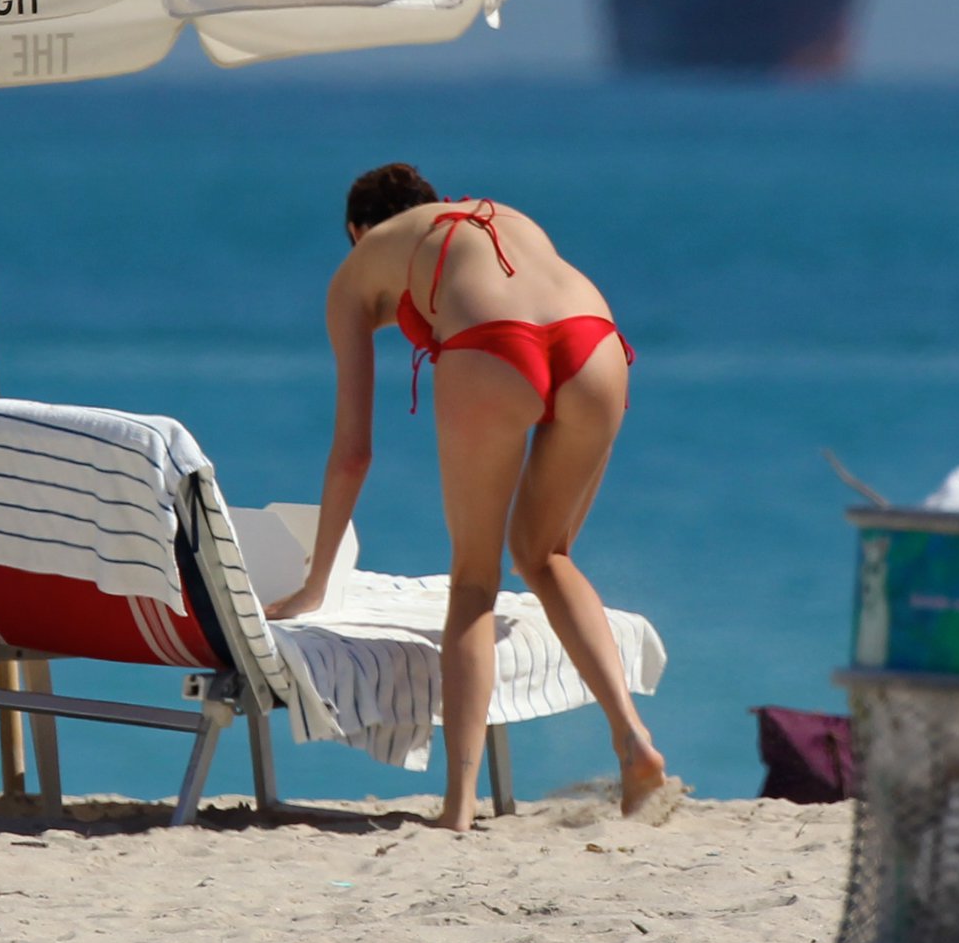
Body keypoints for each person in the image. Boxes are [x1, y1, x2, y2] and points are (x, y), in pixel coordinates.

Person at [264, 164, 666, 830]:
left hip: (493, 348)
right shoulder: (493, 215)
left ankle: (457, 806)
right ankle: (632, 737)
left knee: (474, 582)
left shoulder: (359, 265)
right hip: (596, 342)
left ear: (356, 229)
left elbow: (354, 451)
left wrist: (316, 583)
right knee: (547, 555)